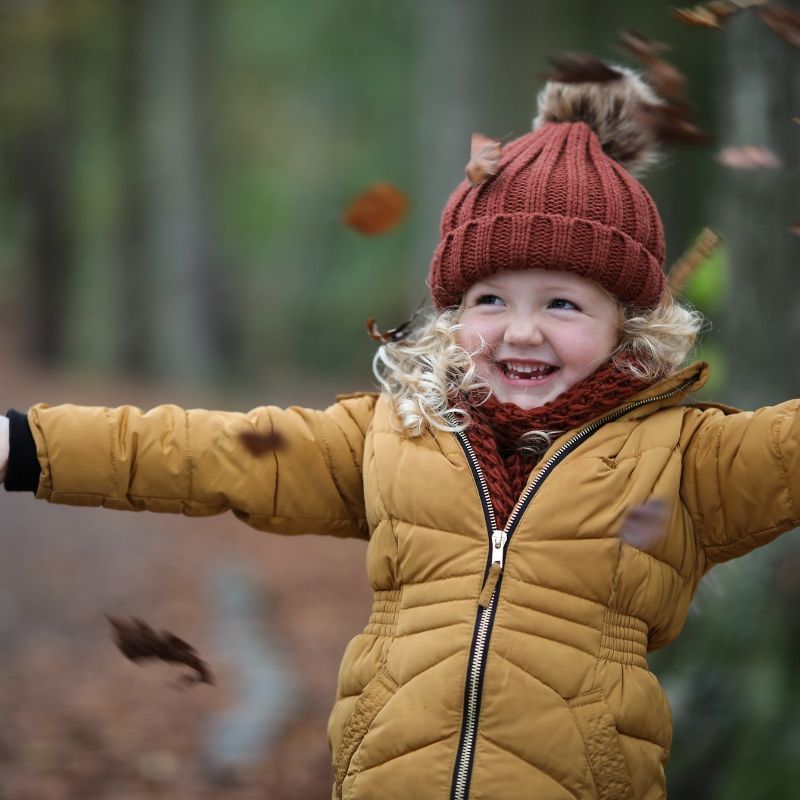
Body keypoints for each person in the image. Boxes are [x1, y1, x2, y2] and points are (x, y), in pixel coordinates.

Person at [1, 64, 798, 800]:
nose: (520, 331)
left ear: (626, 328)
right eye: (490, 301)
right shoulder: (393, 435)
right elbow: (205, 452)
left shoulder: (689, 461)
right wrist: (24, 445)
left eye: (562, 304)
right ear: (453, 317)